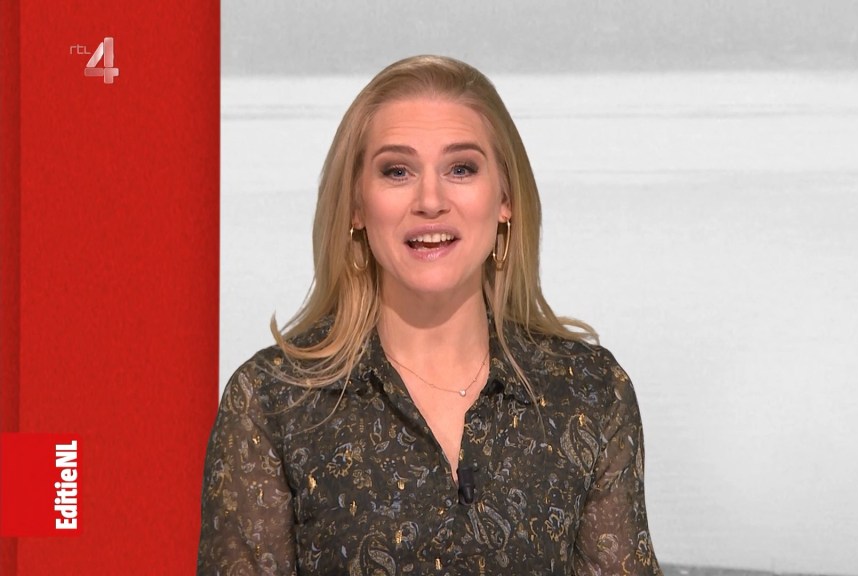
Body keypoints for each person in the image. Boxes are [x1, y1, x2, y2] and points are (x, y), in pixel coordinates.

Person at [198, 55, 661, 576]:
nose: (430, 200)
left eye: (461, 168)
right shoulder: (273, 400)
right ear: (356, 205)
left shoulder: (589, 392)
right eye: (397, 171)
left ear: (505, 198)